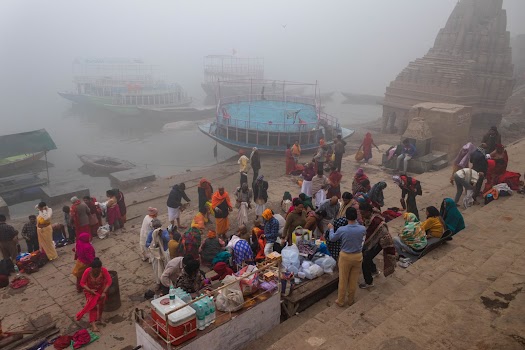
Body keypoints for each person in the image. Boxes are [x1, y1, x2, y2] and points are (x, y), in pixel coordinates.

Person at [327, 207, 366, 307]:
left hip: (345, 256)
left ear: (346, 217)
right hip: (358, 256)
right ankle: (350, 300)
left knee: (343, 280)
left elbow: (332, 238)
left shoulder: (342, 229)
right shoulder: (362, 229)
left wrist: (331, 229)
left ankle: (341, 300)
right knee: (353, 280)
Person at [359, 203, 396, 289]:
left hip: (382, 241)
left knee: (365, 259)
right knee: (366, 254)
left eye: (363, 213)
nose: (362, 215)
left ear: (368, 212)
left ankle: (369, 282)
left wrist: (363, 244)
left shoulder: (375, 221)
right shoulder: (370, 216)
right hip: (377, 239)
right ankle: (374, 270)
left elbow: (370, 236)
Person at [77, 257, 112, 332]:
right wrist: (90, 290)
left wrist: (104, 292)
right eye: (94, 271)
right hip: (90, 291)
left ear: (100, 268)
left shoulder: (103, 270)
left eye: (98, 271)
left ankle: (99, 318)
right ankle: (93, 325)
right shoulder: (87, 271)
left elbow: (109, 281)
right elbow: (82, 283)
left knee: (101, 304)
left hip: (101, 290)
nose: (96, 272)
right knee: (92, 306)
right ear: (91, 268)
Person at [146, 219, 170, 289]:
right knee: (157, 270)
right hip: (156, 255)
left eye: (157, 227)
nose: (156, 229)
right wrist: (153, 244)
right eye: (155, 227)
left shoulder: (164, 232)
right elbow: (147, 244)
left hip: (164, 254)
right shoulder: (151, 233)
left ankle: (167, 282)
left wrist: (161, 235)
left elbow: (167, 239)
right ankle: (158, 283)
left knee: (166, 269)